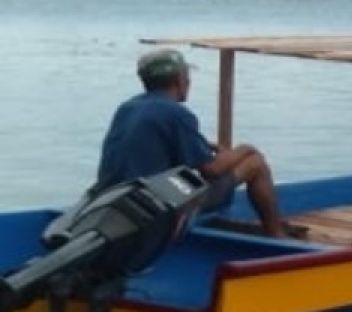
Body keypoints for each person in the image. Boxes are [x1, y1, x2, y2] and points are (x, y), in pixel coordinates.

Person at [95, 48, 287, 238]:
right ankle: (276, 234)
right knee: (255, 163)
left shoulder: (128, 108)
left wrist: (208, 147)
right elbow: (211, 170)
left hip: (116, 199)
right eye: (187, 77)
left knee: (235, 160)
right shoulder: (176, 114)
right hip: (159, 207)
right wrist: (246, 148)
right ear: (179, 80)